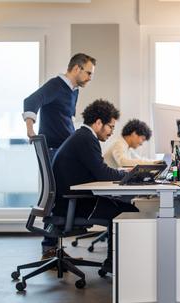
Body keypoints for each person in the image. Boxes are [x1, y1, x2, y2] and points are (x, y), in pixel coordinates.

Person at [52, 99, 138, 272]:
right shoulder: (86, 139)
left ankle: (113, 262)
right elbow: (103, 173)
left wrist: (123, 173)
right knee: (129, 212)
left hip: (71, 202)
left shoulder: (82, 137)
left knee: (125, 207)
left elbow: (98, 171)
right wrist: (127, 174)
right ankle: (115, 265)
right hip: (75, 204)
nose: (112, 132)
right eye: (111, 127)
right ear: (98, 122)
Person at [22, 53, 96, 256]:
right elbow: (31, 100)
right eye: (88, 73)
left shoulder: (74, 91)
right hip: (55, 150)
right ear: (76, 69)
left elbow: (65, 120)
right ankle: (50, 246)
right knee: (60, 193)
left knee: (78, 184)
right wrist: (30, 129)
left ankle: (61, 237)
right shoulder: (56, 85)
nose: (90, 77)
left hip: (66, 149)